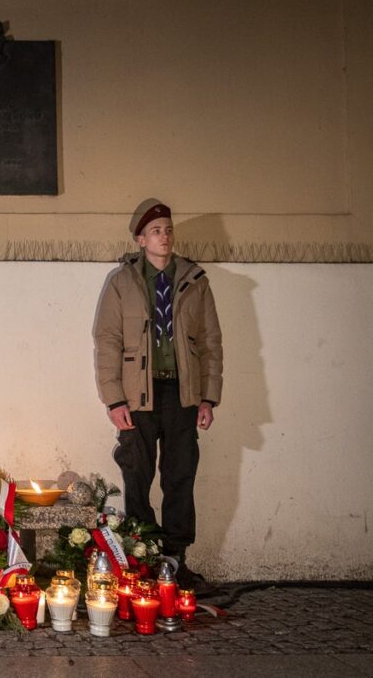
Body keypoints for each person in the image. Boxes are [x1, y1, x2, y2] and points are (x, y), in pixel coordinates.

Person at [93, 199, 223, 591]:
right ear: (140, 239)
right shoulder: (122, 282)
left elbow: (211, 341)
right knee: (137, 474)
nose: (164, 236)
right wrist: (114, 399)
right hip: (138, 397)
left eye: (168, 229)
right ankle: (143, 558)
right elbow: (107, 341)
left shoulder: (195, 280)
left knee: (180, 476)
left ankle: (175, 560)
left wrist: (208, 396)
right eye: (156, 231)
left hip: (182, 394)